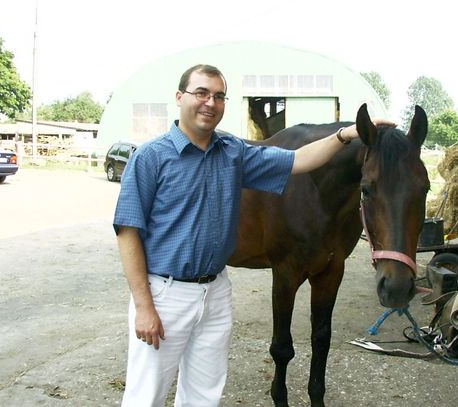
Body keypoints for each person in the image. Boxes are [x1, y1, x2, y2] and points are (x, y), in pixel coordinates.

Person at [114, 64, 393, 407]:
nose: (210, 103)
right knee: (147, 395)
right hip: (165, 293)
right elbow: (127, 231)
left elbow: (297, 160)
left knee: (204, 395)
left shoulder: (232, 153)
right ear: (179, 97)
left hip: (214, 291)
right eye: (201, 93)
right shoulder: (150, 157)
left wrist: (345, 135)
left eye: (218, 96)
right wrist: (143, 306)